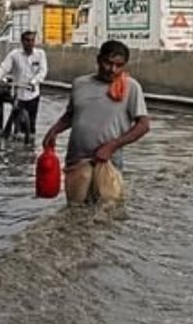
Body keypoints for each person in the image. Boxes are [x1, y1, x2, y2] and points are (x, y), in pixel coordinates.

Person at [41, 40, 150, 203]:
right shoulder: (80, 84)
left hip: (108, 162)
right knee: (75, 212)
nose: (112, 70)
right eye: (108, 63)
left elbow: (143, 125)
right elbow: (71, 115)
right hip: (77, 161)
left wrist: (112, 146)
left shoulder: (131, 87)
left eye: (119, 65)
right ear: (98, 60)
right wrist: (55, 130)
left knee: (107, 212)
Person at [0, 30, 48, 135]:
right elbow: (4, 67)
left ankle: (29, 143)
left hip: (33, 93)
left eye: (32, 40)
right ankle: (10, 134)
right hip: (18, 93)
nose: (30, 43)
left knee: (31, 125)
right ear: (22, 41)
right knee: (17, 119)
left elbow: (43, 71)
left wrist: (34, 82)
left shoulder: (40, 54)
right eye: (27, 40)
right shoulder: (15, 55)